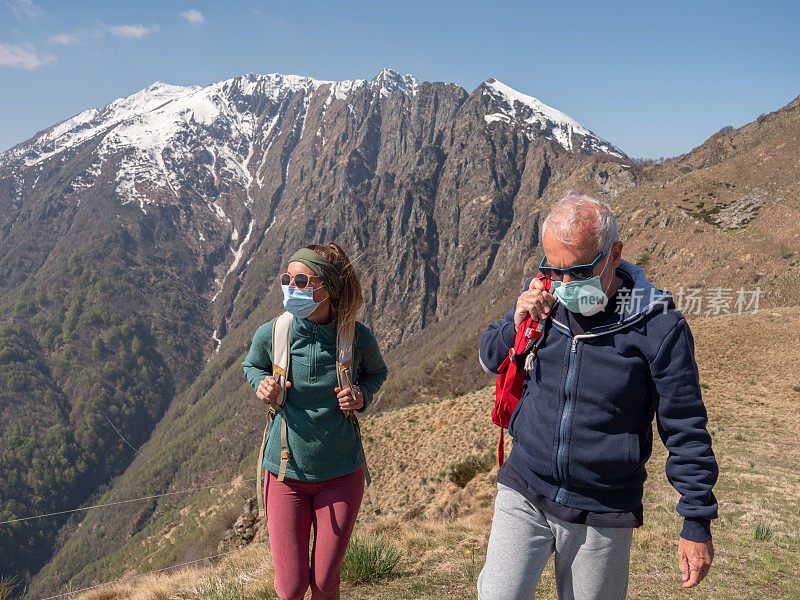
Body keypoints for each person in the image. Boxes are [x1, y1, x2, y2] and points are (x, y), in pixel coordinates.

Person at [477, 193, 718, 600]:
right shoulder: (542, 297)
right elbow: (490, 357)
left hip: (603, 507)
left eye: (579, 270)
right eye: (553, 268)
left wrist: (696, 520)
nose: (564, 283)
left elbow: (685, 427)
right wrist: (515, 321)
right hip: (525, 483)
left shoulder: (659, 327)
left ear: (615, 253)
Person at [241, 243, 388, 600]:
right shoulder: (274, 333)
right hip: (284, 474)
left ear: (329, 288)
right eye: (287, 278)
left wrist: (361, 396)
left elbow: (377, 373)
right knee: (291, 588)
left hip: (340, 474)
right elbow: (251, 365)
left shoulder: (354, 337)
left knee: (324, 584)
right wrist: (260, 384)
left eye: (303, 280)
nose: (292, 286)